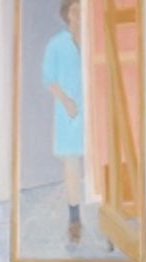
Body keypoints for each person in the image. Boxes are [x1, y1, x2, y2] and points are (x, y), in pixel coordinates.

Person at [43, 0, 86, 246]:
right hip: (69, 113)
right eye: (74, 9)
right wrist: (66, 101)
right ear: (66, 13)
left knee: (99, 164)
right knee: (72, 165)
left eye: (82, 8)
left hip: (91, 110)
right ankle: (74, 219)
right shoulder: (56, 43)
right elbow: (49, 79)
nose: (78, 13)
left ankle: (109, 218)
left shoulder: (93, 39)